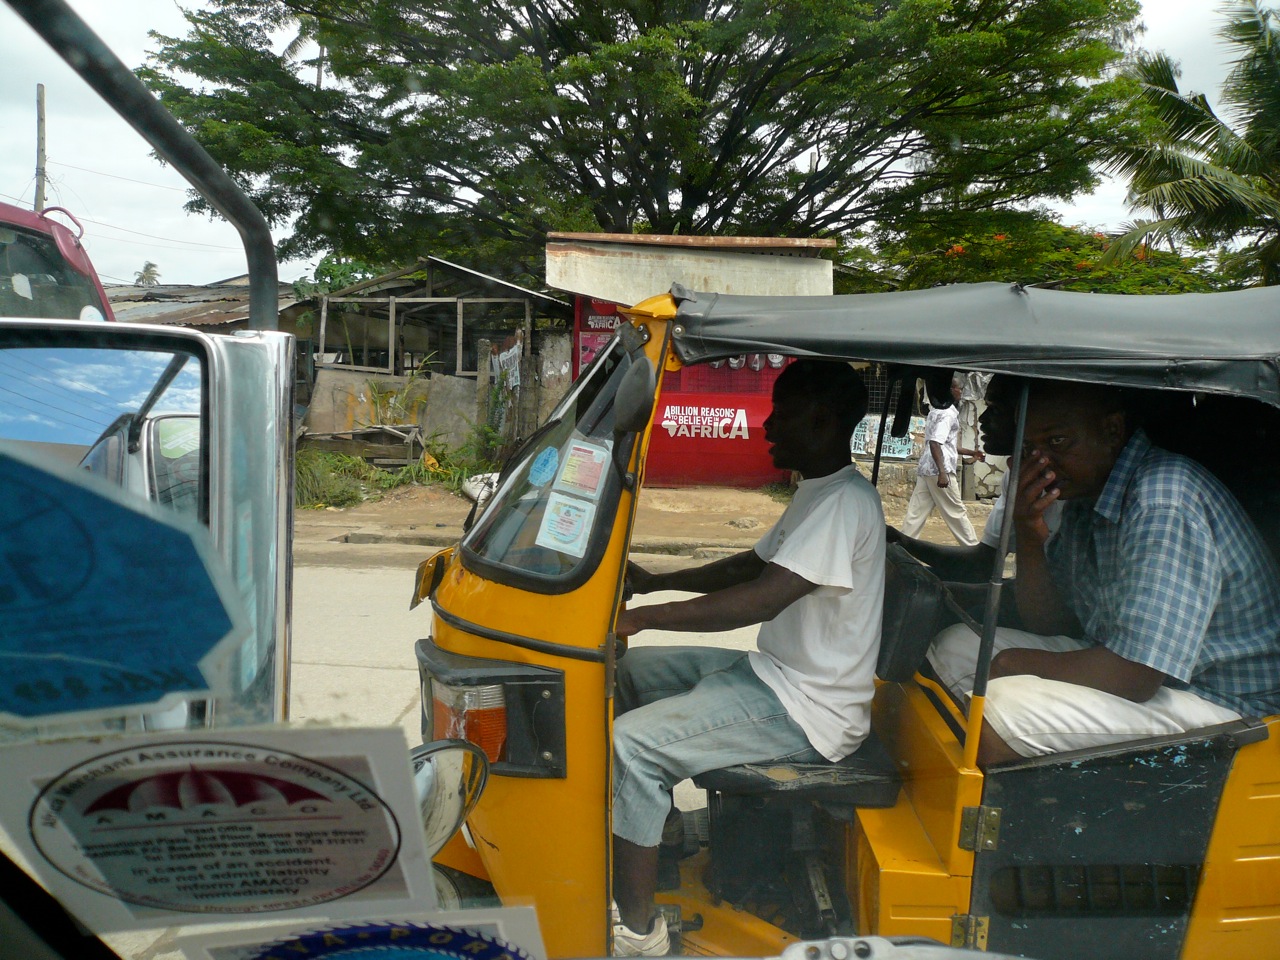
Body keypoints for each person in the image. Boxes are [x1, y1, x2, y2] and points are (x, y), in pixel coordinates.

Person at [610, 360, 884, 956]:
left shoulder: (844, 503)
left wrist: (642, 617)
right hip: (774, 678)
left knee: (630, 746)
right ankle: (657, 827)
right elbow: (750, 566)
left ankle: (637, 932)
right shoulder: (819, 491)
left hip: (809, 711)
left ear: (821, 419)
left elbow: (761, 598)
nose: (766, 427)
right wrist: (657, 582)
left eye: (780, 413)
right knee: (625, 676)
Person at [930, 379, 1280, 766]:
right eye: (1029, 449)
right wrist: (1030, 535)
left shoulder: (1162, 500)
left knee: (997, 716)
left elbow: (1136, 675)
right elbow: (1053, 622)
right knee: (955, 648)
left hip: (1224, 702)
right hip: (1141, 670)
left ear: (1112, 431)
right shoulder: (1088, 493)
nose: (1041, 461)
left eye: (1057, 442)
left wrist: (1016, 664)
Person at [899, 373, 979, 547]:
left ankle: (902, 547)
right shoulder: (948, 414)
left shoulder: (936, 411)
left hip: (926, 468)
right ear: (950, 390)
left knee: (916, 513)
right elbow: (936, 443)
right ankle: (973, 549)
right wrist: (942, 473)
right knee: (956, 512)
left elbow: (945, 444)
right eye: (959, 388)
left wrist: (971, 452)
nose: (961, 391)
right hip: (939, 469)